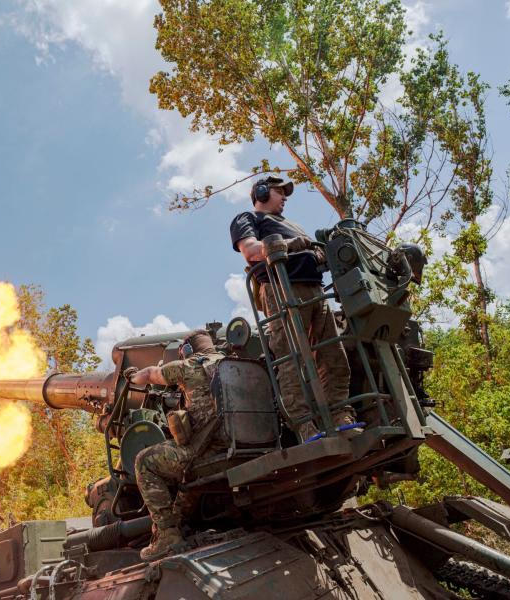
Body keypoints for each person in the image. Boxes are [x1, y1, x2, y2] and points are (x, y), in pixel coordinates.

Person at [229, 176, 353, 441]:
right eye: (279, 192)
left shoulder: (293, 224)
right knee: (292, 360)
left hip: (315, 291)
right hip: (282, 290)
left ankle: (340, 416)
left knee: (334, 355)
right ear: (261, 193)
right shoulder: (249, 219)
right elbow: (251, 251)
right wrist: (286, 245)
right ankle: (306, 426)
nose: (285, 197)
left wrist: (320, 254)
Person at [130, 330, 227, 561]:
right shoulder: (231, 362)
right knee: (186, 476)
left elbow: (152, 374)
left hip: (209, 449)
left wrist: (132, 376)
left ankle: (167, 537)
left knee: (145, 462)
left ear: (189, 351)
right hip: (240, 446)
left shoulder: (190, 366)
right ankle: (184, 522)